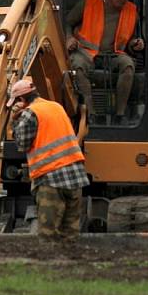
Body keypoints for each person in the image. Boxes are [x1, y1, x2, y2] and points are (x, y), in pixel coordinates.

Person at [8, 79, 89, 241]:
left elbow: (22, 144)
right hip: (75, 177)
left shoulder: (31, 113)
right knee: (70, 235)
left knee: (48, 235)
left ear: (21, 100)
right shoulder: (56, 107)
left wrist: (14, 120)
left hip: (51, 180)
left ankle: (49, 266)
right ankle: (69, 264)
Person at [65, 0, 144, 125]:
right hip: (85, 51)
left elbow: (129, 39)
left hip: (114, 54)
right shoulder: (88, 4)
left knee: (128, 66)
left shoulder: (132, 12)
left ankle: (119, 116)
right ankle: (91, 114)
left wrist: (135, 44)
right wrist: (69, 38)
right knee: (78, 67)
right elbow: (67, 22)